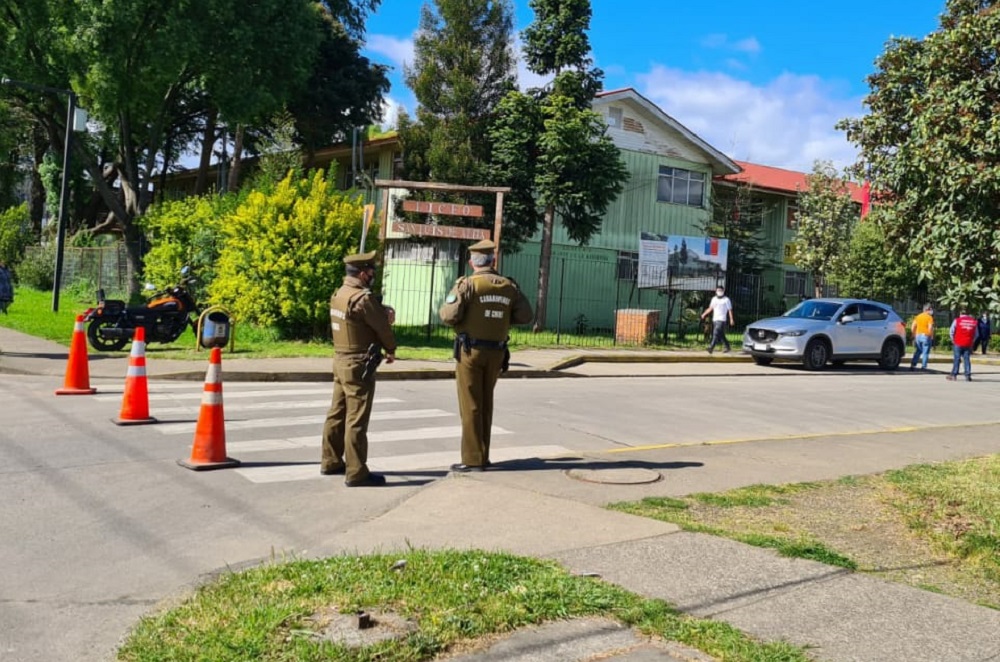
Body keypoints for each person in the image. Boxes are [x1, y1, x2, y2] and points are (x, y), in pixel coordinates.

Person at [439, 239, 532, 472]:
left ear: (472, 262)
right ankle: (484, 453)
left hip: (470, 351)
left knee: (471, 404)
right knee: (486, 403)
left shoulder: (468, 284)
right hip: (497, 352)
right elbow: (525, 316)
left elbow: (449, 315)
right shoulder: (509, 286)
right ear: (493, 260)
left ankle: (472, 459)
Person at [321, 251, 397, 487]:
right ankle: (356, 472)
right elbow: (382, 326)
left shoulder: (339, 294)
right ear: (363, 274)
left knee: (337, 412)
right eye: (371, 271)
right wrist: (391, 348)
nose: (373, 275)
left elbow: (358, 321)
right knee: (357, 418)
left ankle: (331, 460)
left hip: (340, 359)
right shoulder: (363, 298)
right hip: (358, 363)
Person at [700, 285, 734, 354]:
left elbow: (730, 310)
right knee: (721, 334)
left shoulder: (726, 300)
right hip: (715, 319)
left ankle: (711, 347)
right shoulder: (714, 299)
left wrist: (731, 319)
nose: (719, 292)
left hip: (722, 319)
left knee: (715, 333)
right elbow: (710, 308)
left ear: (723, 291)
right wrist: (704, 314)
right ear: (716, 291)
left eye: (721, 290)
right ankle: (727, 347)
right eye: (718, 290)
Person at [947, 309, 978, 382]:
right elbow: (976, 334)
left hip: (958, 342)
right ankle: (967, 375)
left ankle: (954, 375)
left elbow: (951, 331)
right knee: (966, 359)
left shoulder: (957, 320)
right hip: (968, 343)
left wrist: (953, 339)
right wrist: (972, 341)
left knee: (957, 359)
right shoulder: (973, 322)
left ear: (960, 313)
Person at [909, 303, 935, 371]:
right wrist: (931, 336)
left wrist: (913, 334)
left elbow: (913, 326)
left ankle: (913, 364)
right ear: (927, 310)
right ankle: (924, 366)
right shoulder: (929, 317)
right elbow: (930, 327)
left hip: (918, 335)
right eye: (930, 309)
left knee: (918, 351)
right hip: (926, 336)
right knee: (925, 352)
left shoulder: (918, 316)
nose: (931, 311)